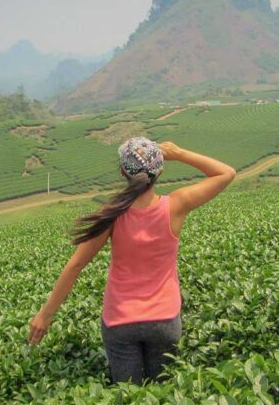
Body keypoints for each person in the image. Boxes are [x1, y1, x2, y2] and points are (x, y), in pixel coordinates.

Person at [27, 137, 236, 384]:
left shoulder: (112, 214)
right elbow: (226, 173)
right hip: (164, 320)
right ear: (160, 171)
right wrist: (179, 153)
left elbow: (76, 266)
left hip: (120, 321)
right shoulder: (176, 205)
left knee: (130, 401)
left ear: (123, 172)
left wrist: (45, 314)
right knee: (163, 394)